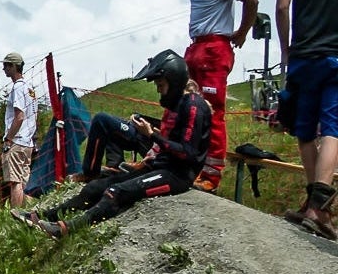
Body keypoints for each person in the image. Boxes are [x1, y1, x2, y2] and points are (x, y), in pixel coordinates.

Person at [23, 50, 210, 237]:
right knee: (95, 188)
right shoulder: (178, 106)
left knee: (116, 191)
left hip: (177, 176)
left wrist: (151, 134)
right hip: (160, 166)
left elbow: (187, 153)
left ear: (174, 82)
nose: (158, 90)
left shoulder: (194, 106)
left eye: (161, 85)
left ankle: (65, 229)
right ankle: (41, 216)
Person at [170, 0, 257, 192]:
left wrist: (242, 32)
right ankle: (181, 163)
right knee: (181, 103)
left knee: (211, 110)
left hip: (214, 48)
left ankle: (211, 174)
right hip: (197, 47)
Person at [277, 0, 338, 239]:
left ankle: (313, 206)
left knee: (304, 131)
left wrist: (285, 49)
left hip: (303, 58)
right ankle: (319, 209)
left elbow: (282, 6)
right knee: (332, 129)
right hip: (335, 59)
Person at [0, 52, 41, 210]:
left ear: (14, 66)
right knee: (24, 182)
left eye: (6, 65)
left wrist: (8, 139)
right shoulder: (30, 89)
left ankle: (15, 216)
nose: (4, 69)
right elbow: (33, 116)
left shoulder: (17, 88)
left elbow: (19, 116)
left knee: (15, 182)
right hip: (28, 142)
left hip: (16, 141)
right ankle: (31, 212)